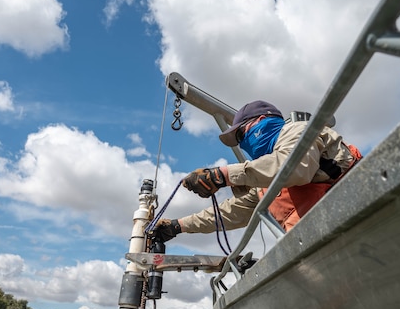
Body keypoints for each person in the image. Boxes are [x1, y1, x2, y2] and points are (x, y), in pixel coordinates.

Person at [152, 100, 362, 242]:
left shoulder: (298, 130)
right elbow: (229, 212)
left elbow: (292, 167)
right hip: (319, 242)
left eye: (242, 134)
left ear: (261, 121)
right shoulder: (265, 183)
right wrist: (178, 226)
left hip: (358, 221)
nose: (243, 143)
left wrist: (221, 175)